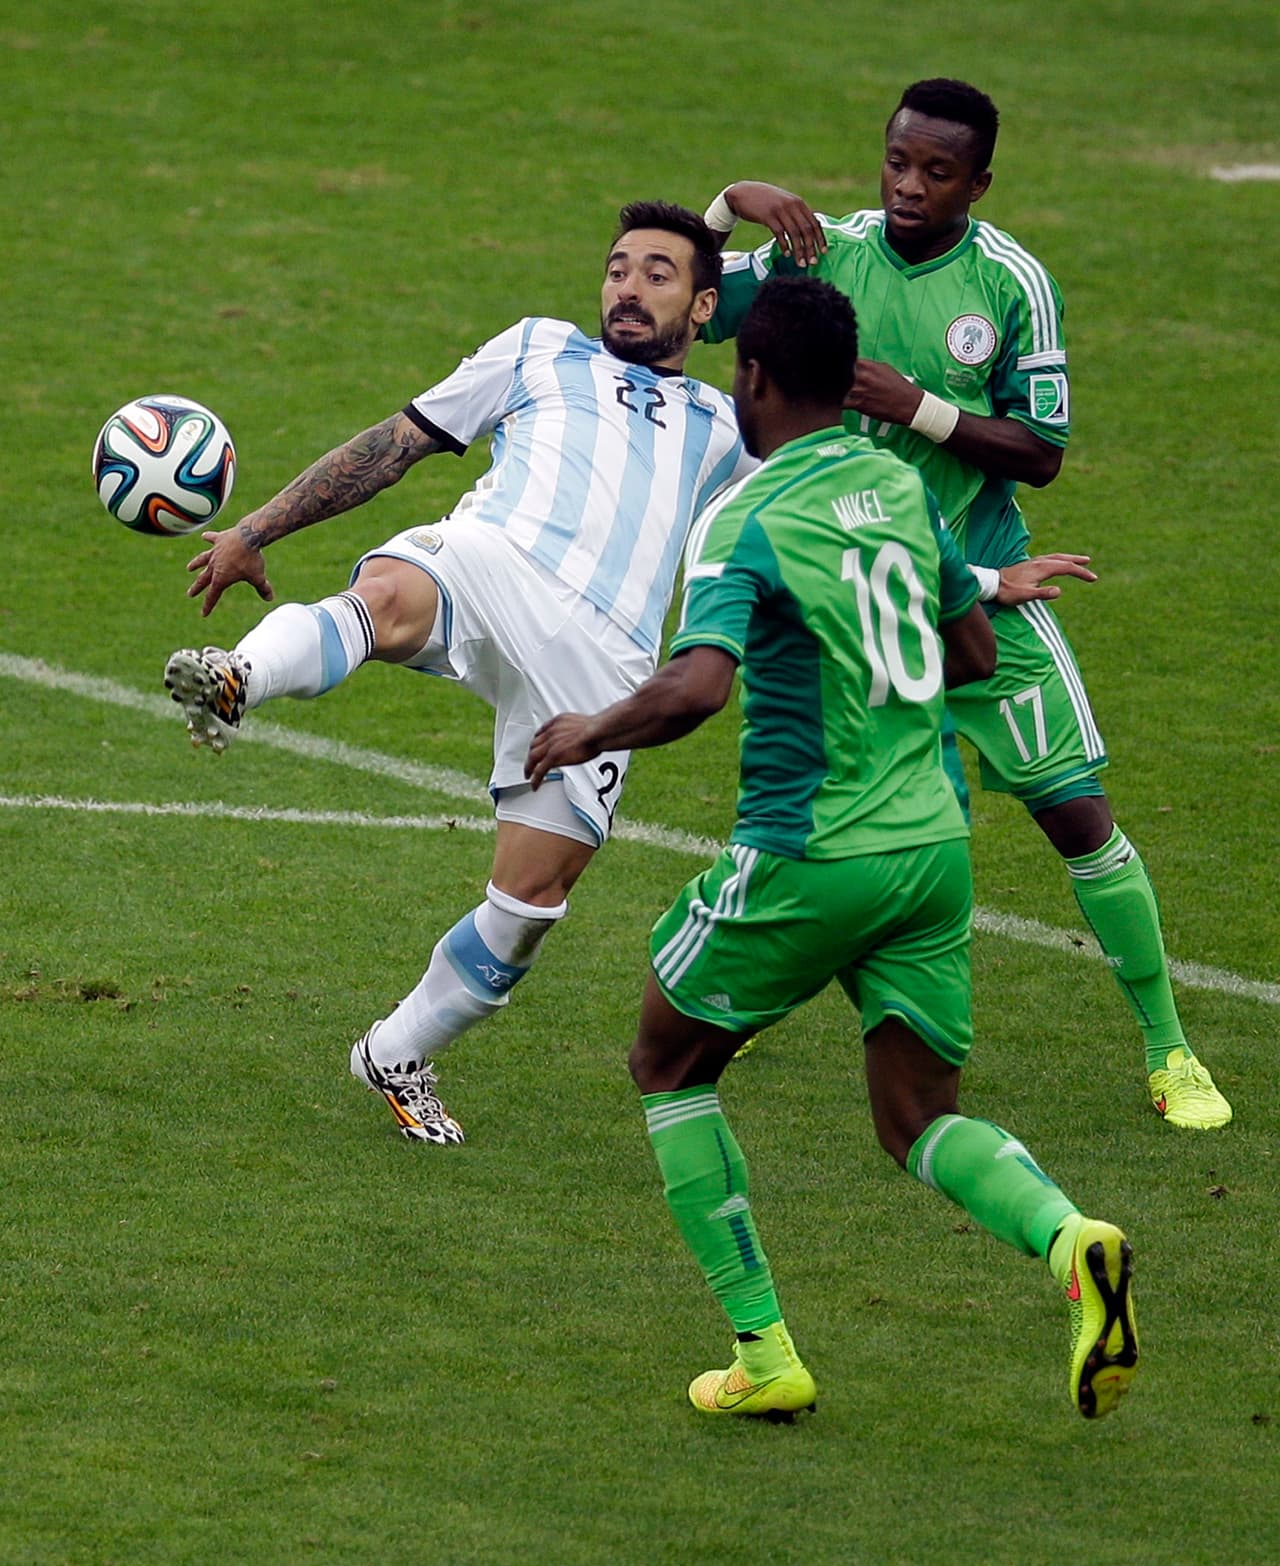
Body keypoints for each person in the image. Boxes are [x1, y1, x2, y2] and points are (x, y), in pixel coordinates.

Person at [525, 274, 1139, 1422]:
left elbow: (699, 687)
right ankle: (1067, 1242)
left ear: (749, 376)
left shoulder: (745, 514)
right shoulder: (897, 486)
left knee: (667, 1064)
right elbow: (966, 652)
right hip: (931, 848)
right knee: (916, 1118)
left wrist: (590, 730)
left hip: (811, 847)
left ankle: (763, 1357)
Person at [694, 80, 1231, 1131]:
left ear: (976, 182)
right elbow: (691, 302)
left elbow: (1040, 453)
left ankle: (1168, 1047)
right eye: (897, 162)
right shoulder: (824, 253)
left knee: (1077, 817)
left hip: (978, 598)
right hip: (860, 613)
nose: (907, 186)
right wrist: (726, 204)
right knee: (806, 822)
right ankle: (747, 996)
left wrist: (921, 409)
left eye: (935, 172)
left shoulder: (1011, 283)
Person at [163, 201, 754, 1146]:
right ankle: (239, 677)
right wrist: (251, 531)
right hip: (495, 560)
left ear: (703, 305)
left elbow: (823, 523)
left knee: (528, 907)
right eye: (616, 268)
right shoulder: (536, 351)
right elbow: (392, 447)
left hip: (604, 666)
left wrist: (969, 579)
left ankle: (394, 1051)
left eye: (657, 273)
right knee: (392, 596)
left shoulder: (728, 430)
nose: (628, 289)